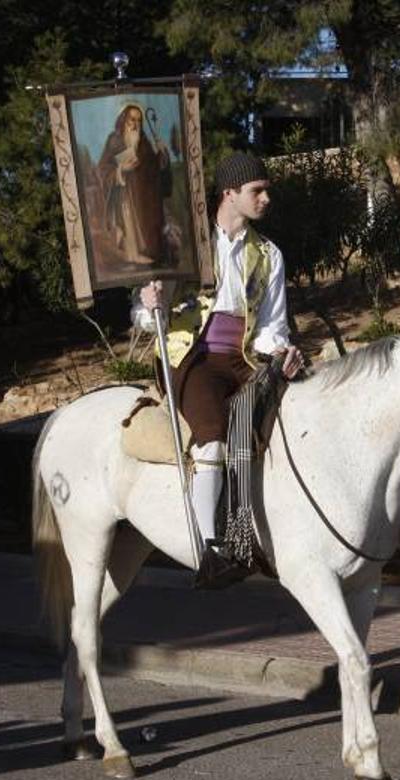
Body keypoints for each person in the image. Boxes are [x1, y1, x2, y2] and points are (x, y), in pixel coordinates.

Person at [133, 151, 304, 586]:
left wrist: (279, 355)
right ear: (230, 193)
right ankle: (209, 550)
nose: (266, 199)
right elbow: (145, 313)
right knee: (210, 439)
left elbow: (272, 324)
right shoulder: (182, 243)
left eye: (266, 190)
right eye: (257, 191)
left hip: (244, 358)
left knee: (294, 416)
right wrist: (149, 305)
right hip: (191, 355)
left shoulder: (269, 254)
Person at [98, 103, 173, 267]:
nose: (135, 124)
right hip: (123, 193)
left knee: (148, 229)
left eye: (139, 120)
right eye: (132, 119)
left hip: (144, 195)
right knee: (128, 222)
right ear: (124, 120)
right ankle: (131, 254)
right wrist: (120, 170)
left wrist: (162, 155)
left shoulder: (144, 142)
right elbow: (103, 169)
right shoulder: (114, 140)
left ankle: (147, 252)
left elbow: (154, 168)